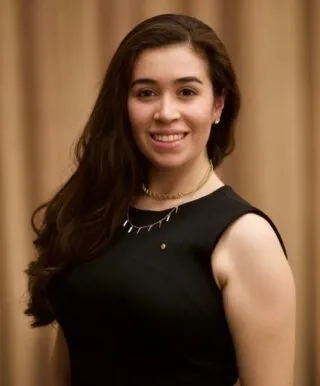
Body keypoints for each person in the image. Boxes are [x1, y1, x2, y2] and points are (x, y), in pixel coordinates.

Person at [25, 13, 296, 386]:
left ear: (217, 105)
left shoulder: (248, 238)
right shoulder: (96, 210)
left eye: (187, 91)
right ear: (124, 104)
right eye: (146, 92)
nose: (165, 113)